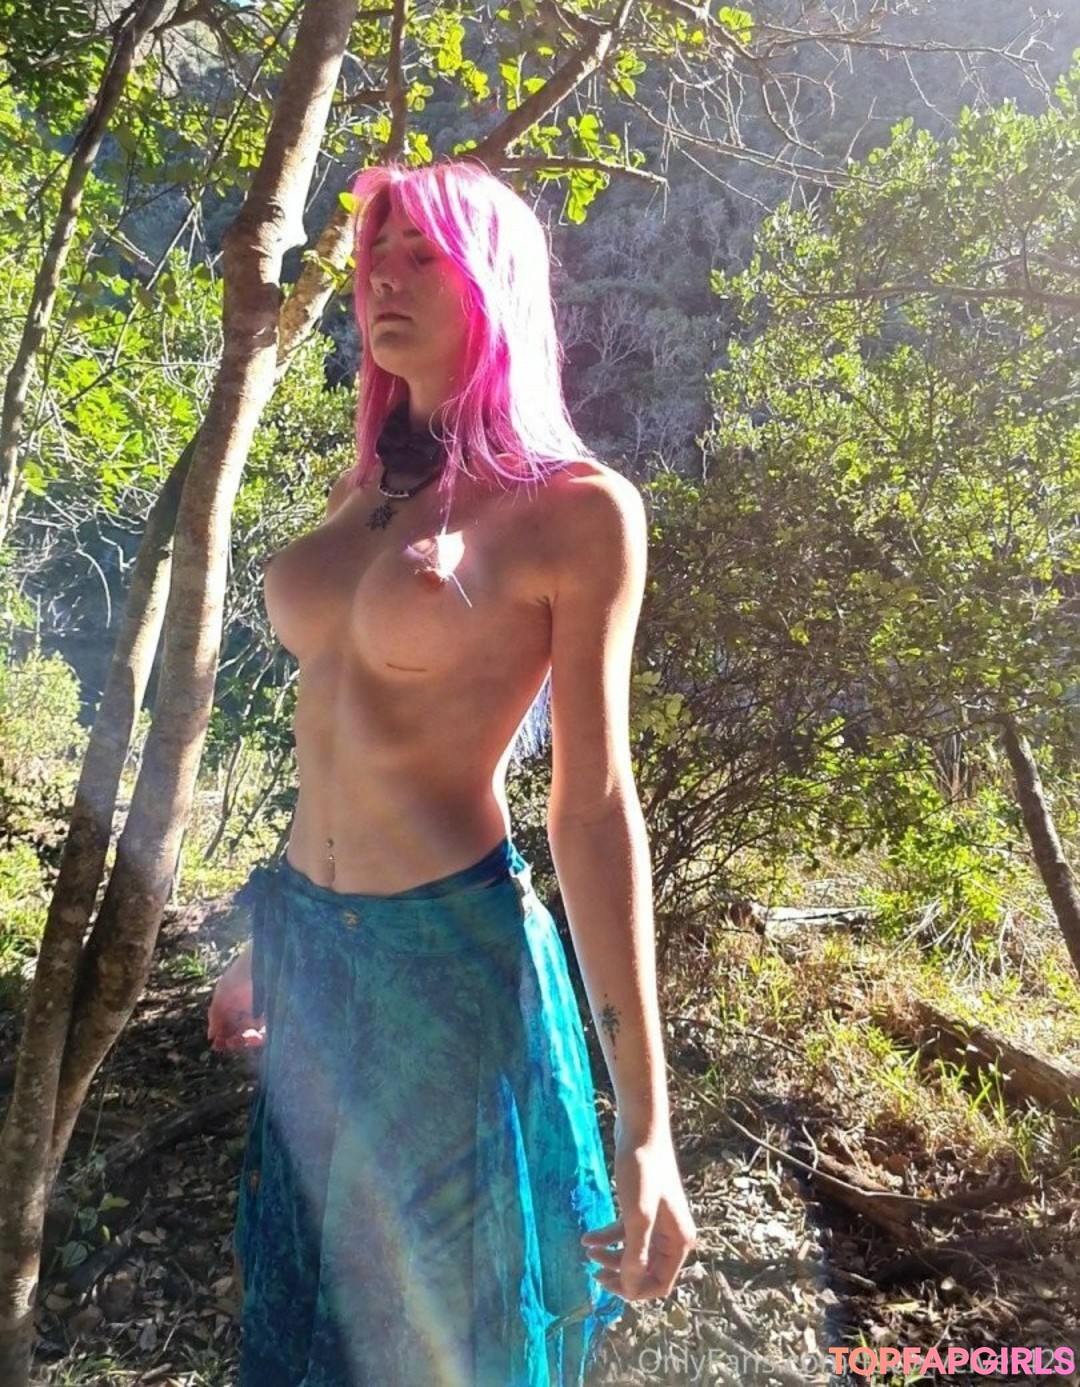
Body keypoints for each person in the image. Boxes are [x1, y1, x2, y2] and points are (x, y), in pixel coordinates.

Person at [206, 159, 695, 1387]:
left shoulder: (578, 511)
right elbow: (337, 731)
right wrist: (266, 939)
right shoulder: (368, 483)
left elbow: (593, 806)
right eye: (376, 255)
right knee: (311, 1312)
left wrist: (647, 1126)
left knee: (445, 1337)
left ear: (493, 279)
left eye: (422, 254)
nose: (385, 277)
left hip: (448, 965)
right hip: (311, 950)